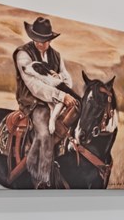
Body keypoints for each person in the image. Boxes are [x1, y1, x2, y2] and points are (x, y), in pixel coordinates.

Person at [12, 16, 78, 188]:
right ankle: (43, 176)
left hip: (56, 98)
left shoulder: (56, 55)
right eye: (39, 40)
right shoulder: (23, 54)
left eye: (45, 40)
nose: (42, 44)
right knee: (45, 132)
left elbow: (67, 80)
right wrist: (61, 96)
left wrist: (60, 78)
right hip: (33, 102)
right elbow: (34, 86)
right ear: (33, 37)